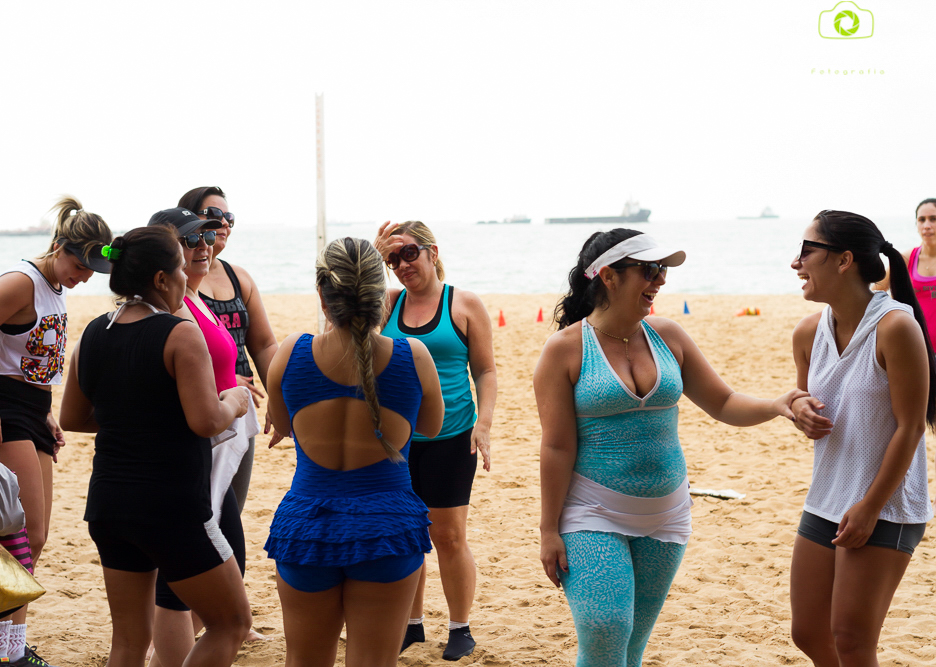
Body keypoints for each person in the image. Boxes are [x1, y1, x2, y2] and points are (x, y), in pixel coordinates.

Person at [534, 229, 804, 667]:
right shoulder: (564, 350)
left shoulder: (668, 335)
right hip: (592, 511)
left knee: (632, 647)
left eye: (662, 270)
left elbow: (724, 401)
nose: (660, 279)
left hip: (666, 515)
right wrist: (549, 530)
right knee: (606, 631)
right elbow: (557, 448)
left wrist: (777, 404)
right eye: (649, 269)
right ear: (608, 276)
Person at [58, 225, 252, 667]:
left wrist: (131, 419)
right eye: (181, 269)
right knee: (231, 624)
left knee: (128, 642)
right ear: (162, 280)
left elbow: (73, 418)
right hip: (170, 507)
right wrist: (234, 401)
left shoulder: (94, 332)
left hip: (109, 504)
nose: (187, 278)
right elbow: (205, 421)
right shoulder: (180, 333)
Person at [264, 237, 444, 667]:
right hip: (386, 527)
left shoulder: (291, 352)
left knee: (304, 660)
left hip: (308, 525)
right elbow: (431, 427)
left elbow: (284, 426)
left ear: (323, 294)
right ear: (380, 294)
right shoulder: (412, 355)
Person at [0, 196, 112, 667]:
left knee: (35, 537)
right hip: (3, 408)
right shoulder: (21, 281)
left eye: (90, 271)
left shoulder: (54, 286)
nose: (82, 277)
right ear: (60, 245)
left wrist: (44, 409)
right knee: (17, 535)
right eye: (78, 265)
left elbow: (33, 358)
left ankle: (5, 649)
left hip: (30, 410)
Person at [789, 210, 935, 667]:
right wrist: (799, 411)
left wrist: (871, 506)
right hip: (826, 497)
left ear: (844, 260)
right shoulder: (808, 332)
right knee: (809, 633)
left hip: (887, 505)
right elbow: (805, 400)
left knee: (852, 641)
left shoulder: (895, 326)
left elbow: (911, 427)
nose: (796, 262)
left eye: (807, 250)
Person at [142, 208, 263, 666]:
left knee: (215, 564)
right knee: (180, 582)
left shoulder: (196, 299)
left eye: (209, 236)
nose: (205, 246)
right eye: (193, 241)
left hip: (210, 449)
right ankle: (166, 655)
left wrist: (235, 382)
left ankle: (168, 652)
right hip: (192, 452)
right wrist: (228, 400)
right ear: (168, 252)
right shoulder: (172, 309)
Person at [373, 220, 497, 661]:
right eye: (393, 258)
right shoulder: (386, 304)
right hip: (397, 440)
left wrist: (483, 424)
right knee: (406, 532)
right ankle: (412, 623)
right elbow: (338, 305)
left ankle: (460, 627)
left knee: (447, 535)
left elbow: (485, 369)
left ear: (432, 251)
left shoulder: (462, 303)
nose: (402, 265)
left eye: (410, 253)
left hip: (452, 435)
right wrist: (373, 254)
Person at [179, 186, 281, 510]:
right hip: (202, 406)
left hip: (240, 409)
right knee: (202, 507)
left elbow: (264, 345)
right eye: (213, 215)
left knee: (231, 508)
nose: (223, 223)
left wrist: (281, 400)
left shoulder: (240, 278)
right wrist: (222, 378)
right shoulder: (178, 283)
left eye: (229, 218)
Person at [873, 198, 936, 345]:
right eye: (922, 220)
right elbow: (875, 293)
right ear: (916, 225)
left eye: (933, 219)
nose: (927, 225)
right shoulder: (906, 259)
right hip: (914, 348)